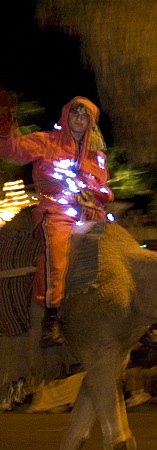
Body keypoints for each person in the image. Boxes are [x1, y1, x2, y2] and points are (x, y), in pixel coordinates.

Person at [0, 90, 113, 347]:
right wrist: (5, 128)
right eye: (75, 112)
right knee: (57, 251)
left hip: (92, 214)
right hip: (57, 210)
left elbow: (105, 188)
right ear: (67, 114)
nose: (79, 118)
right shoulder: (45, 141)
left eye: (86, 116)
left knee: (120, 248)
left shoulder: (98, 155)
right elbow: (12, 152)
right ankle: (51, 316)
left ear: (91, 123)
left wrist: (96, 190)